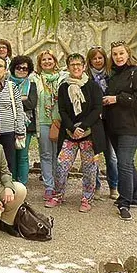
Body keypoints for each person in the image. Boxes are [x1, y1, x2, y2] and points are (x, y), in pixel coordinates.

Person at [45, 53, 106, 212]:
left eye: (79, 64)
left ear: (84, 66)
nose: (76, 67)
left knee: (89, 167)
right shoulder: (64, 87)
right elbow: (63, 110)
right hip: (70, 133)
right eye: (72, 65)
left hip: (89, 133)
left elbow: (97, 108)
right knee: (61, 165)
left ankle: (87, 198)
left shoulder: (92, 86)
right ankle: (58, 195)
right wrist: (72, 128)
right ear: (68, 67)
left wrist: (84, 126)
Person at [102, 41, 137, 221]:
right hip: (114, 126)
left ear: (128, 54)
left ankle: (124, 202)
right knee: (128, 163)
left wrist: (116, 98)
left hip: (131, 126)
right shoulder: (115, 75)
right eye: (115, 54)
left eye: (121, 53)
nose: (118, 57)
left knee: (123, 163)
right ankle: (136, 197)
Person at [30, 50, 67, 200]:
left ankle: (59, 184)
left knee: (59, 155)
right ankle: (49, 187)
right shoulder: (35, 79)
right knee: (46, 154)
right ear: (40, 63)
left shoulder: (63, 78)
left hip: (60, 121)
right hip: (43, 121)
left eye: (49, 59)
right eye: (43, 59)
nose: (47, 62)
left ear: (55, 61)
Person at [86, 46, 118, 200]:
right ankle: (96, 187)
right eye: (94, 58)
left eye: (100, 58)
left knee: (111, 156)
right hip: (94, 120)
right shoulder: (86, 77)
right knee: (94, 155)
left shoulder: (112, 75)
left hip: (110, 118)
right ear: (90, 60)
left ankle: (114, 186)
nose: (97, 61)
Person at [8, 56, 37, 184]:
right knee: (11, 154)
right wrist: (22, 99)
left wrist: (14, 99)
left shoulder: (31, 85)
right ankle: (12, 182)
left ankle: (23, 183)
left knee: (23, 155)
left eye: (25, 68)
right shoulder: (6, 83)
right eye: (18, 67)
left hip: (26, 124)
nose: (21, 70)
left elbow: (31, 104)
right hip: (9, 122)